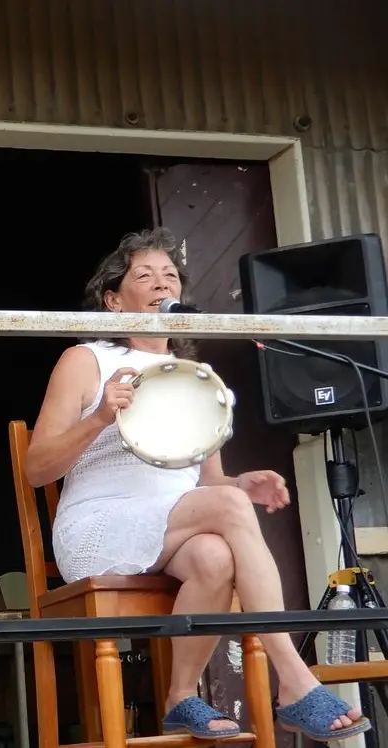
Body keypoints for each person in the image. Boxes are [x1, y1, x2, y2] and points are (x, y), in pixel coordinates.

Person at [26, 228, 371, 744]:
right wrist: (98, 417)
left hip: (173, 525)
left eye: (170, 275)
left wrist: (241, 483)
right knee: (221, 521)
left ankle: (179, 697)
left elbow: (210, 485)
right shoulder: (87, 359)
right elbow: (36, 469)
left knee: (215, 556)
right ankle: (295, 680)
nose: (161, 283)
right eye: (144, 275)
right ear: (114, 301)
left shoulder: (197, 374)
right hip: (100, 525)